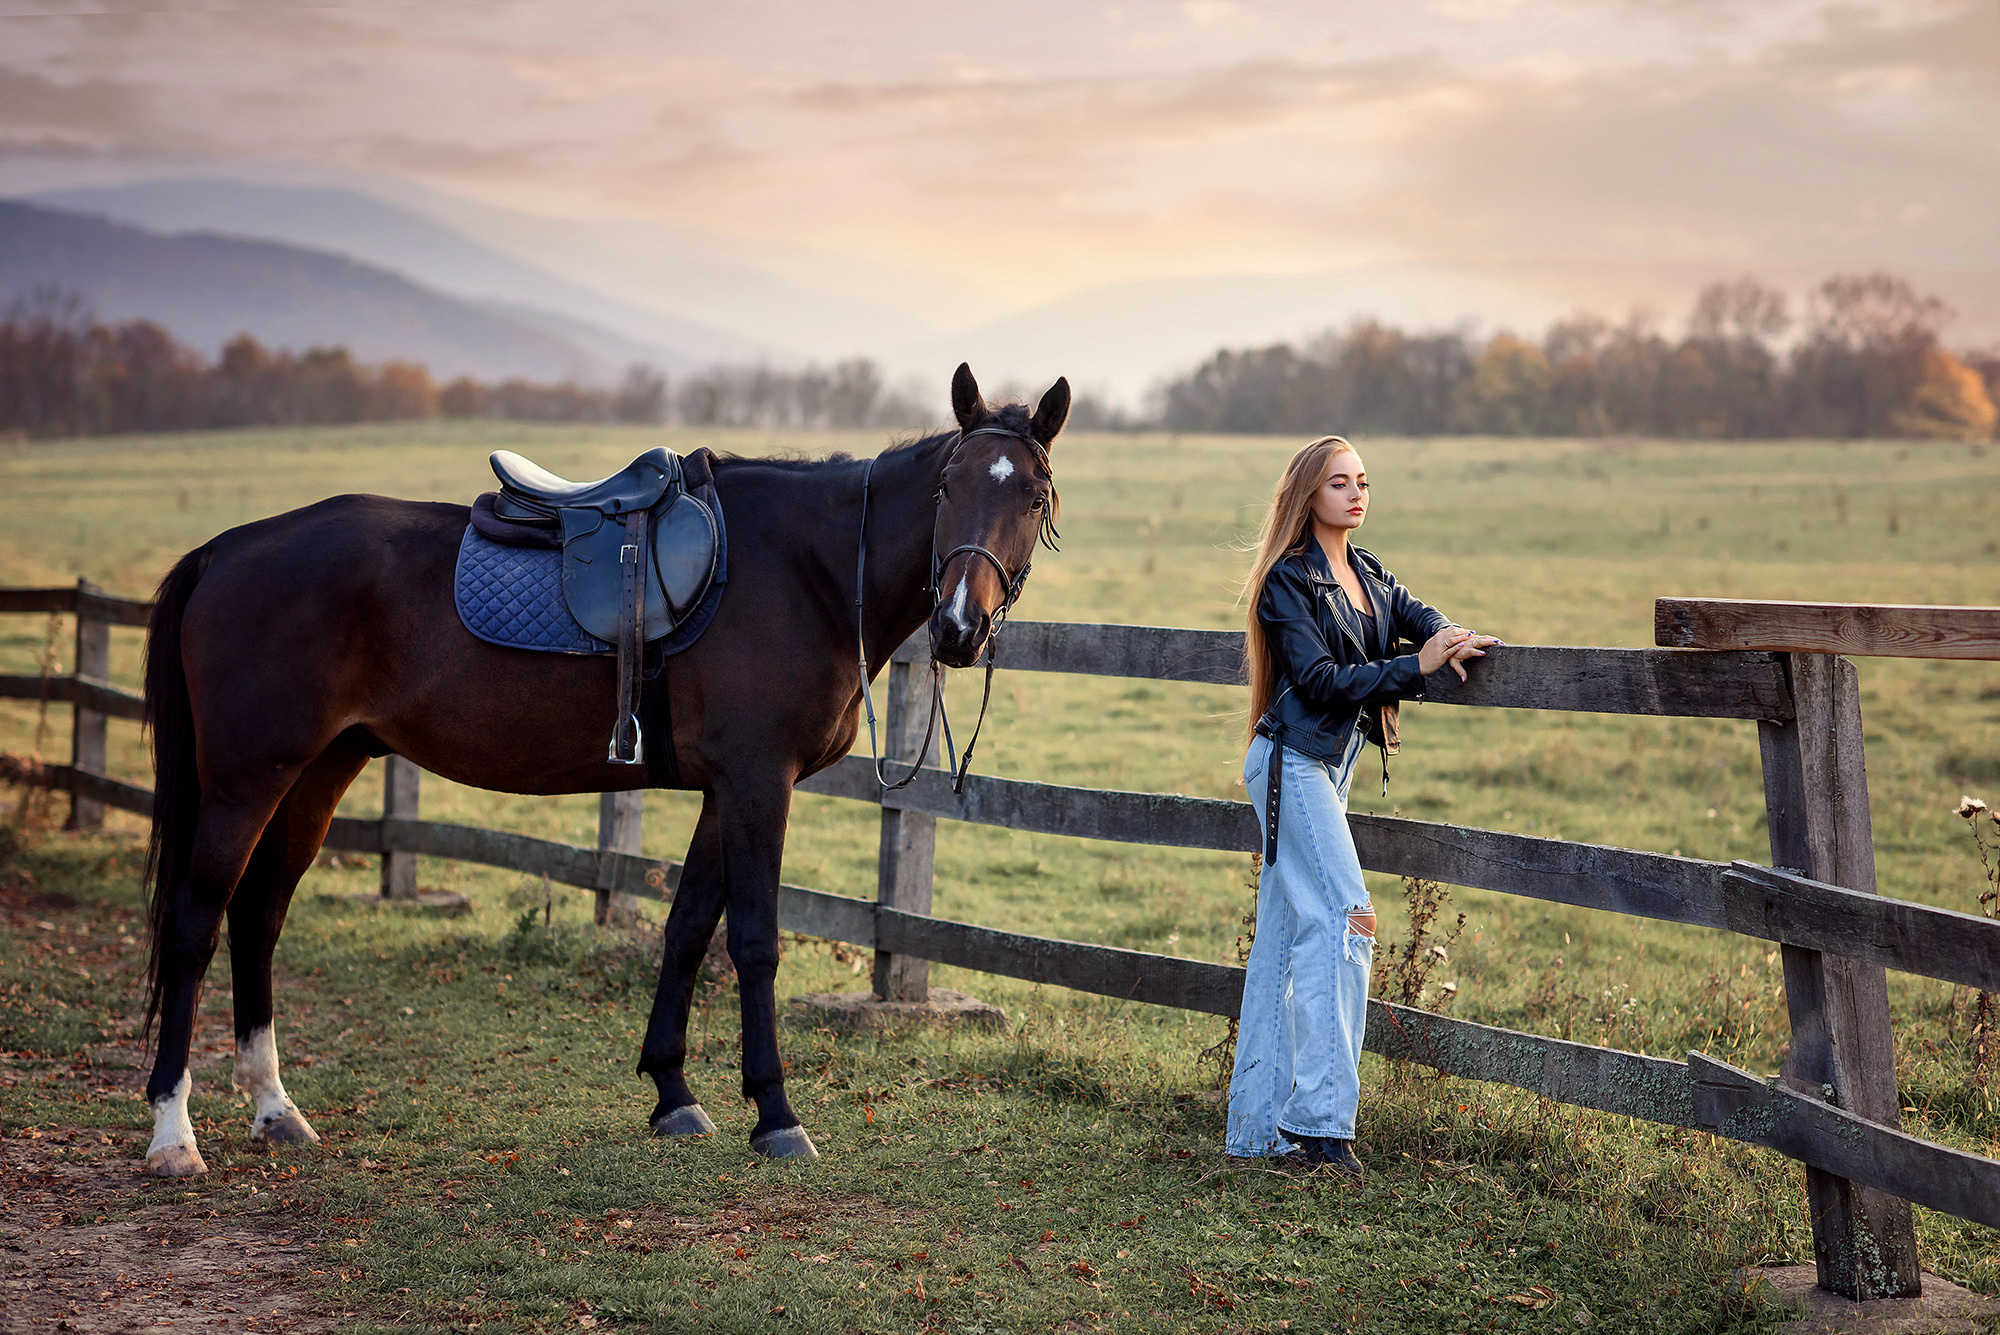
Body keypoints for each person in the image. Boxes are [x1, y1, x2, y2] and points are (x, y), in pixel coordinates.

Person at [1226, 435, 1499, 1176]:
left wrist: (1453, 636)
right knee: (1347, 918)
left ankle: (1257, 1129)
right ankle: (1319, 1127)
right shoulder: (1289, 581)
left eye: (1363, 482)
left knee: (1286, 941)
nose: (1356, 494)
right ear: (1308, 494)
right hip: (1292, 762)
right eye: (1339, 482)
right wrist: (1416, 665)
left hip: (1328, 768)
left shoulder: (1369, 575)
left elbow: (1420, 613)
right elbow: (1316, 680)